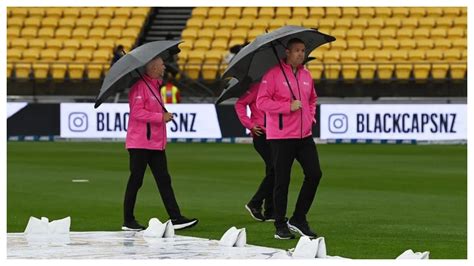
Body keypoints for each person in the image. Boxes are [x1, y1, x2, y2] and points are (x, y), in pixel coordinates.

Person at [256, 38, 323, 240]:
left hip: (304, 136)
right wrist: (287, 107)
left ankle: (299, 218)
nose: (301, 54)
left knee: (315, 174)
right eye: (296, 50)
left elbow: (312, 98)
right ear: (287, 52)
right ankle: (280, 223)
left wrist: (310, 116)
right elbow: (261, 102)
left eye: (303, 50)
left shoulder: (306, 74)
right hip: (281, 137)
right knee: (281, 181)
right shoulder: (272, 75)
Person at [122, 56, 198, 231]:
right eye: (162, 64)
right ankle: (128, 220)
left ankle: (176, 218)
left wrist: (161, 117)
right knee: (136, 180)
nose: (165, 67)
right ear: (153, 67)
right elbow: (136, 113)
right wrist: (160, 117)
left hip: (154, 143)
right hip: (140, 143)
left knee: (164, 180)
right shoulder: (140, 87)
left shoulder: (154, 86)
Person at [234, 82, 275, 222]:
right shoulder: (257, 87)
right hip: (262, 134)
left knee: (272, 171)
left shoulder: (277, 85)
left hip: (276, 134)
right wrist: (250, 125)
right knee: (275, 169)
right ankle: (256, 203)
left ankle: (270, 211)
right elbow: (239, 104)